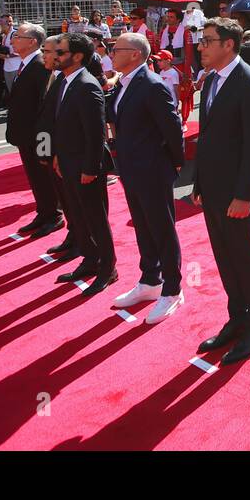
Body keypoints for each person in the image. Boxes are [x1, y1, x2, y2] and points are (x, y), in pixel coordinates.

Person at [191, 17, 250, 365]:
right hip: (212, 188)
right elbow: (207, 137)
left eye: (208, 40)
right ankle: (236, 317)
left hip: (236, 192)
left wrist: (245, 195)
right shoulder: (211, 81)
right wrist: (198, 183)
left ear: (229, 44)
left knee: (244, 255)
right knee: (224, 256)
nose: (201, 46)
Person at [108, 32, 186, 324]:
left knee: (162, 228)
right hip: (131, 168)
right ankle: (150, 280)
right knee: (143, 226)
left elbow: (172, 127)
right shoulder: (124, 83)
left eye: (117, 49)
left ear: (136, 54)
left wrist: (175, 164)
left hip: (153, 169)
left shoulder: (152, 85)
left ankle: (173, 288)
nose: (111, 53)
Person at [46, 32, 117, 298]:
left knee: (96, 219)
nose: (55, 56)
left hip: (86, 166)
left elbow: (96, 133)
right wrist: (57, 156)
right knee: (78, 215)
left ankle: (108, 268)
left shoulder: (86, 85)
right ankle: (90, 260)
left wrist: (91, 168)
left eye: (60, 52)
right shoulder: (65, 81)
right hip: (68, 161)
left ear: (77, 57)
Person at [7, 23, 63, 241]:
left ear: (32, 42)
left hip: (38, 135)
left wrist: (43, 140)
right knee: (34, 177)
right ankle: (44, 212)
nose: (13, 40)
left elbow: (45, 105)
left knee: (44, 176)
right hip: (26, 134)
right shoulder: (27, 64)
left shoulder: (41, 66)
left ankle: (53, 215)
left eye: (18, 36)